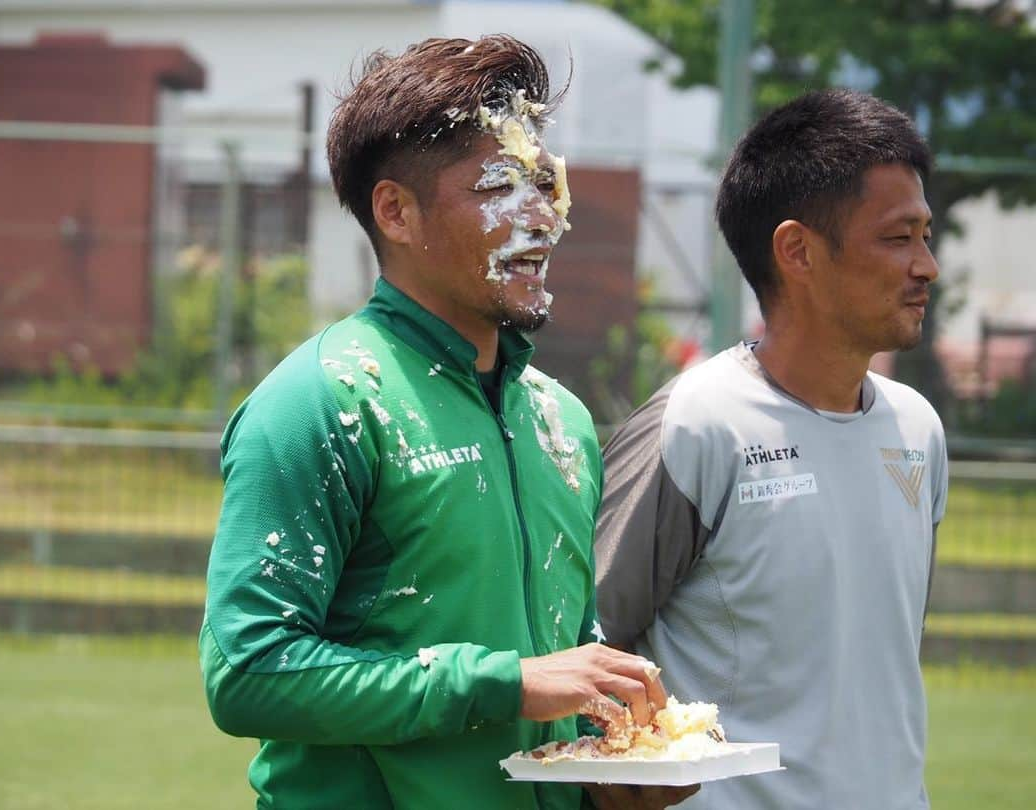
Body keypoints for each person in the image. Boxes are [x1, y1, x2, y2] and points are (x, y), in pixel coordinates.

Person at [200, 35, 696, 810]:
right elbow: (247, 673)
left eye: (544, 184)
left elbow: (555, 669)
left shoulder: (559, 420)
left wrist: (607, 774)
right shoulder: (321, 401)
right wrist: (502, 682)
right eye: (500, 185)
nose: (541, 218)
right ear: (395, 211)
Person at [595, 88, 948, 810]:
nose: (926, 266)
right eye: (897, 237)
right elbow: (585, 642)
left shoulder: (919, 430)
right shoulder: (699, 422)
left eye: (926, 235)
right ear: (797, 252)